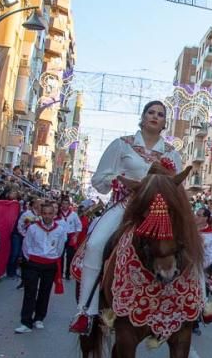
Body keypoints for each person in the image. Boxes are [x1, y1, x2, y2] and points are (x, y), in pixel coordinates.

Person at [75, 101, 182, 322]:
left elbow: (177, 188)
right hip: (125, 206)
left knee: (191, 245)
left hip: (158, 213)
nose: (155, 116)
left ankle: (195, 308)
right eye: (150, 112)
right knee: (95, 244)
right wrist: (119, 180)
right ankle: (86, 310)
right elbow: (99, 180)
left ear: (164, 123)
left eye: (160, 114)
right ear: (142, 117)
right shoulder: (121, 145)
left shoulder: (172, 154)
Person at [16, 199, 66, 333]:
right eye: (45, 213)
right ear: (41, 214)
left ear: (54, 214)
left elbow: (60, 248)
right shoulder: (33, 227)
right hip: (33, 263)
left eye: (50, 213)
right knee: (30, 292)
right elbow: (26, 245)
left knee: (45, 291)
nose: (47, 216)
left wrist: (52, 256)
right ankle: (26, 322)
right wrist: (31, 258)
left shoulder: (60, 230)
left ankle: (39, 318)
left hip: (49, 264)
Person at [57, 195, 82, 281]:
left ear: (69, 205)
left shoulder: (73, 214)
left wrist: (76, 236)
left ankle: (68, 273)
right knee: (60, 254)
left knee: (70, 256)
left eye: (66, 204)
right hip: (60, 236)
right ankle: (59, 273)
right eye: (63, 204)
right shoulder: (58, 214)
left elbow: (79, 226)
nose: (64, 206)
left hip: (70, 236)